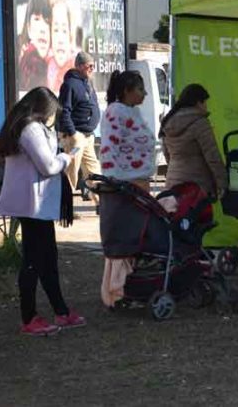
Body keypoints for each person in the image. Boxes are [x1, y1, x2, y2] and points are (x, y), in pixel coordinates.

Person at [0, 87, 86, 336]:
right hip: (33, 205)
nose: (52, 120)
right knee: (34, 261)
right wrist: (68, 158)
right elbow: (47, 165)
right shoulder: (31, 129)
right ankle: (29, 316)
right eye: (51, 115)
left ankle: (61, 310)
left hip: (36, 204)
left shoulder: (23, 126)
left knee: (46, 258)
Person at [97, 70, 156, 307]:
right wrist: (113, 181)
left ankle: (129, 287)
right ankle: (118, 291)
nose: (145, 93)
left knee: (136, 239)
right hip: (126, 185)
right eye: (140, 89)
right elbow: (109, 149)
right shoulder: (115, 113)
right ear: (126, 91)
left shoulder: (132, 112)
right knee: (126, 239)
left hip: (137, 182)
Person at [160, 84, 227, 198]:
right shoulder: (200, 123)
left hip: (172, 182)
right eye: (205, 102)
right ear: (198, 102)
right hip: (196, 186)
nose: (206, 107)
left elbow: (166, 153)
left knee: (177, 215)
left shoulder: (168, 121)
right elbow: (212, 156)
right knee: (197, 215)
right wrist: (222, 183)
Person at [59, 51, 102, 197]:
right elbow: (64, 111)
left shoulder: (88, 84)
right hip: (75, 139)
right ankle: (65, 208)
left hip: (88, 137)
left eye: (93, 65)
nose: (92, 68)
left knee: (94, 171)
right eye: (89, 65)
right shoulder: (69, 85)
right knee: (71, 171)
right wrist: (73, 134)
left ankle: (101, 204)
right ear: (79, 66)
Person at [17, 0, 51, 91]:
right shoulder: (31, 63)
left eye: (47, 20)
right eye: (37, 19)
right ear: (28, 27)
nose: (42, 29)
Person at [46, 0, 76, 94]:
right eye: (55, 30)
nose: (60, 39)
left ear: (70, 36)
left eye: (64, 30)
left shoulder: (77, 71)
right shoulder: (44, 66)